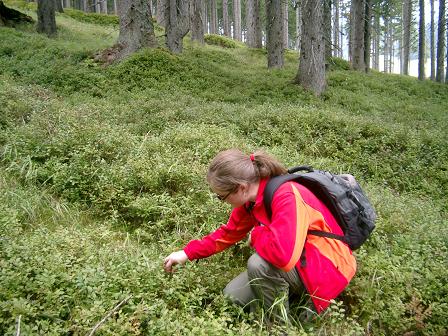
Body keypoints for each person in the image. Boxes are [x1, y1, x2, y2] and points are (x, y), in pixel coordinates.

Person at [163, 149, 356, 320]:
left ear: (241, 187)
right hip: (301, 258)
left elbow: (283, 257)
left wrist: (256, 235)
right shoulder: (250, 201)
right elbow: (228, 233)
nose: (222, 201)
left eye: (222, 196)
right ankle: (284, 295)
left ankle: (279, 327)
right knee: (233, 296)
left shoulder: (286, 196)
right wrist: (186, 253)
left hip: (326, 266)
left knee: (258, 264)